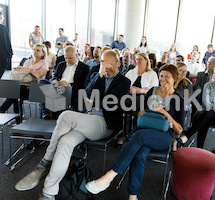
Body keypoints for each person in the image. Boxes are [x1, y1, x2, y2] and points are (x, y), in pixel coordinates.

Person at [14, 50, 131, 200]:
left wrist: (95, 101)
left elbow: (113, 105)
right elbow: (86, 93)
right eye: (102, 62)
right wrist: (99, 76)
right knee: (65, 142)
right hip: (89, 119)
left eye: (109, 63)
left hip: (106, 124)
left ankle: (44, 163)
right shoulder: (99, 75)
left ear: (118, 64)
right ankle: (48, 192)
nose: (105, 66)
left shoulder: (124, 82)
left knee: (66, 115)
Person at [85, 64, 185, 200]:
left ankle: (110, 175)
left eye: (167, 76)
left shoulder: (178, 98)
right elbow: (140, 112)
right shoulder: (152, 91)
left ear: (174, 78)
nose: (163, 79)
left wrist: (164, 112)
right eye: (161, 76)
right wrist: (147, 111)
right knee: (140, 154)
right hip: (145, 131)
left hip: (163, 136)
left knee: (138, 136)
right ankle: (133, 196)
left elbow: (179, 129)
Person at [176, 65, 215, 149]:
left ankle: (187, 136)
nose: (214, 75)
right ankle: (199, 148)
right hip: (206, 112)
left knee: (206, 116)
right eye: (214, 73)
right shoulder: (208, 85)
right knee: (207, 118)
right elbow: (206, 103)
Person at [0, 44, 48, 117]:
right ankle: (15, 117)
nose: (35, 51)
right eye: (34, 49)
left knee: (15, 92)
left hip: (35, 88)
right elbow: (23, 75)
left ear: (43, 53)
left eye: (38, 50)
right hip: (23, 86)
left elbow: (39, 74)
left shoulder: (44, 63)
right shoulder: (27, 62)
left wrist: (27, 70)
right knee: (16, 91)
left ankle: (3, 110)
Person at [0, 10, 13, 79]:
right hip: (1, 56)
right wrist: (10, 53)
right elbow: (6, 42)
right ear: (1, 18)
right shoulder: (2, 28)